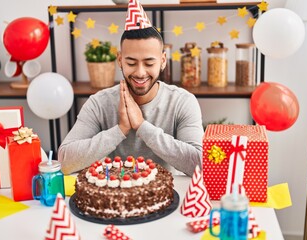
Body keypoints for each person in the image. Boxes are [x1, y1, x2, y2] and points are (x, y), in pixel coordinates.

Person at [58, 0, 204, 177]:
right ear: (120, 60)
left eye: (149, 63)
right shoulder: (99, 103)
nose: (140, 72)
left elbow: (200, 164)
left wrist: (142, 127)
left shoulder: (182, 101)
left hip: (168, 197)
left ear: (163, 61)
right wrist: (120, 130)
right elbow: (64, 161)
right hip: (113, 197)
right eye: (131, 62)